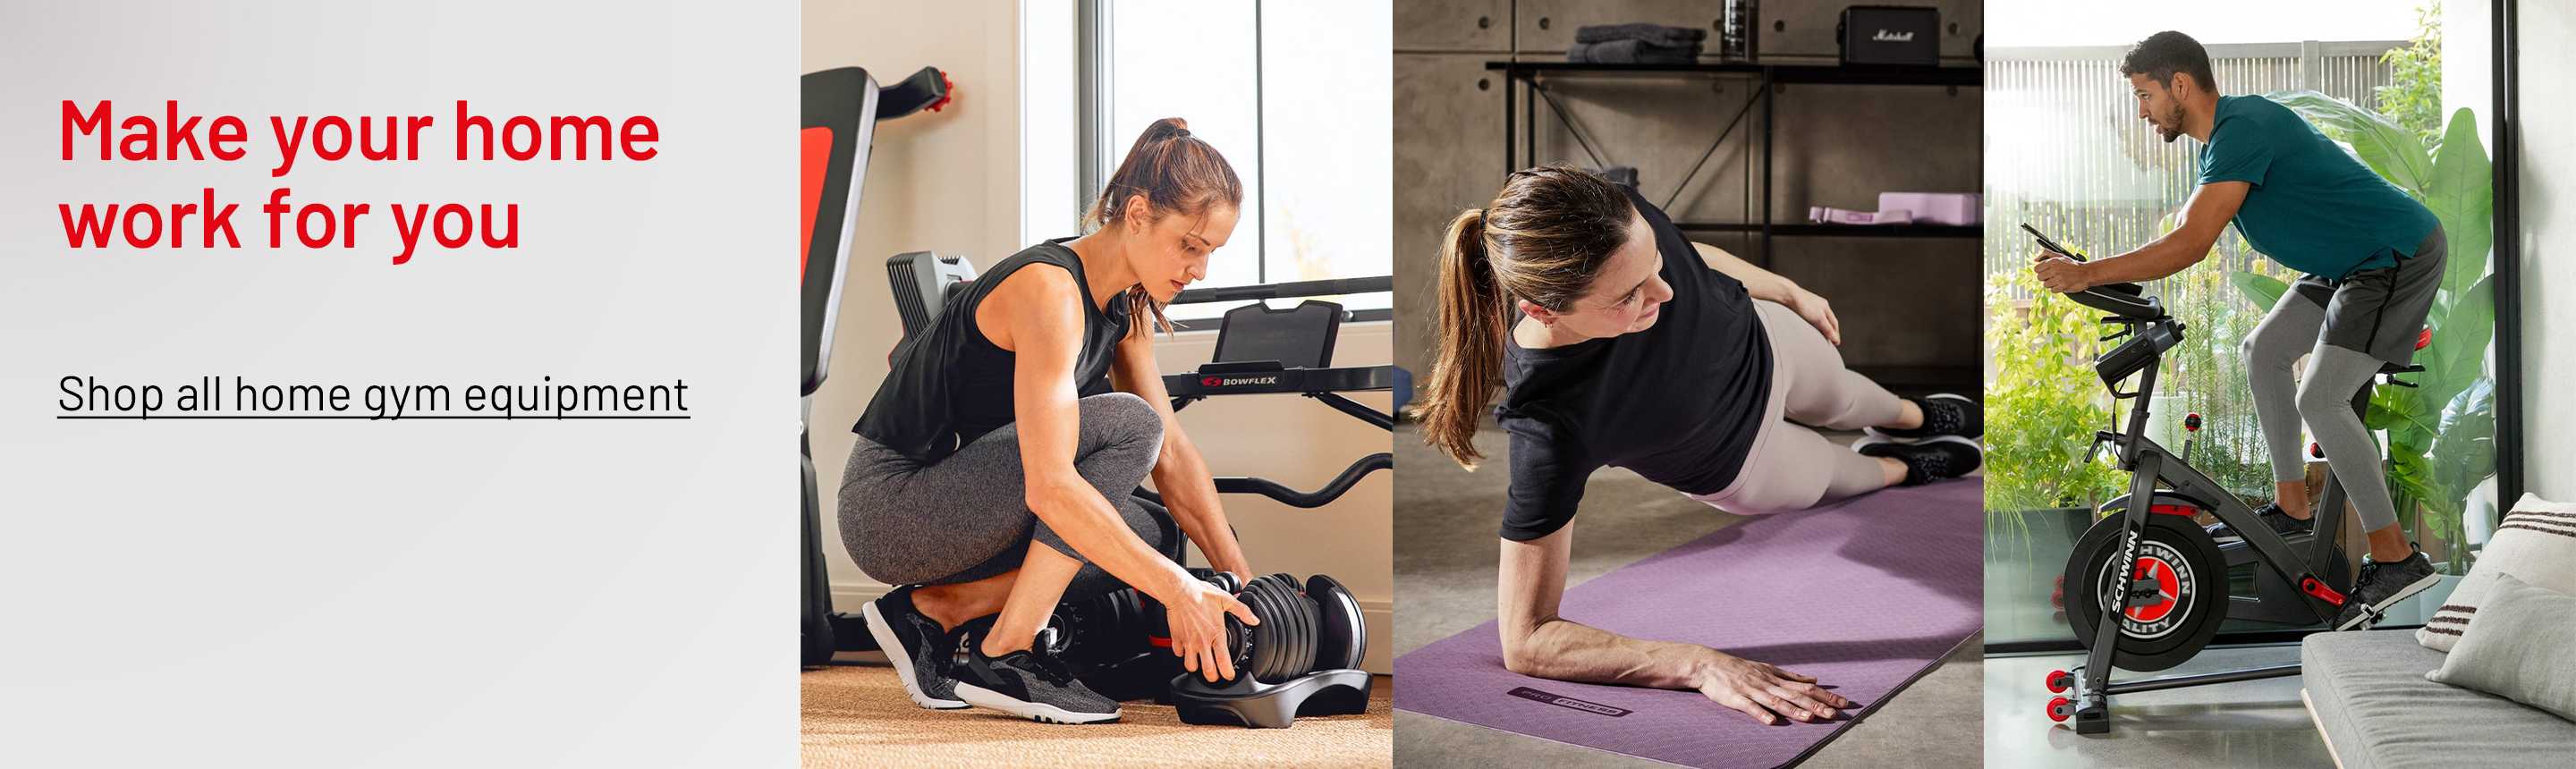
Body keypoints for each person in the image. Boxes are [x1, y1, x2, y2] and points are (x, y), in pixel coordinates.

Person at [1416, 165, 1984, 725]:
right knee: (1848, 476)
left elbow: (1694, 255)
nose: (1664, 291)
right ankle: (1900, 466)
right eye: (1630, 296)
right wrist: (1693, 664)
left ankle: (1909, 416)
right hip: (1745, 460)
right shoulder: (1550, 421)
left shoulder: (1610, 213)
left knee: (1855, 398)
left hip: (1761, 339)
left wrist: (1786, 290)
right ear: (1543, 309)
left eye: (1654, 265)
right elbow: (1527, 639)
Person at [843, 118, 1261, 724]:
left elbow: (1171, 454)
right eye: (1189, 246)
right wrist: (1179, 591)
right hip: (892, 507)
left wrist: (1244, 589)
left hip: (964, 503)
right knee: (1128, 426)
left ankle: (938, 610)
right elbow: (1051, 485)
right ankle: (1008, 650)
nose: (1198, 270)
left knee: (1151, 532)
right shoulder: (1050, 292)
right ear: (1139, 213)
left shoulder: (1126, 304)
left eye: (1210, 253)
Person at [2030, 31, 2446, 630]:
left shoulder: (2244, 125)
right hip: (2344, 265)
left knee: (2322, 400)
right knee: (2263, 351)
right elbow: (2177, 234)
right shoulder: (2220, 152)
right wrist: (2090, 271)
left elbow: (2191, 245)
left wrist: (2085, 274)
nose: (2141, 111)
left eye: (2145, 95)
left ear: (2180, 85)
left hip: (2393, 256)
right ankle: (2292, 506)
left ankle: (2397, 556)